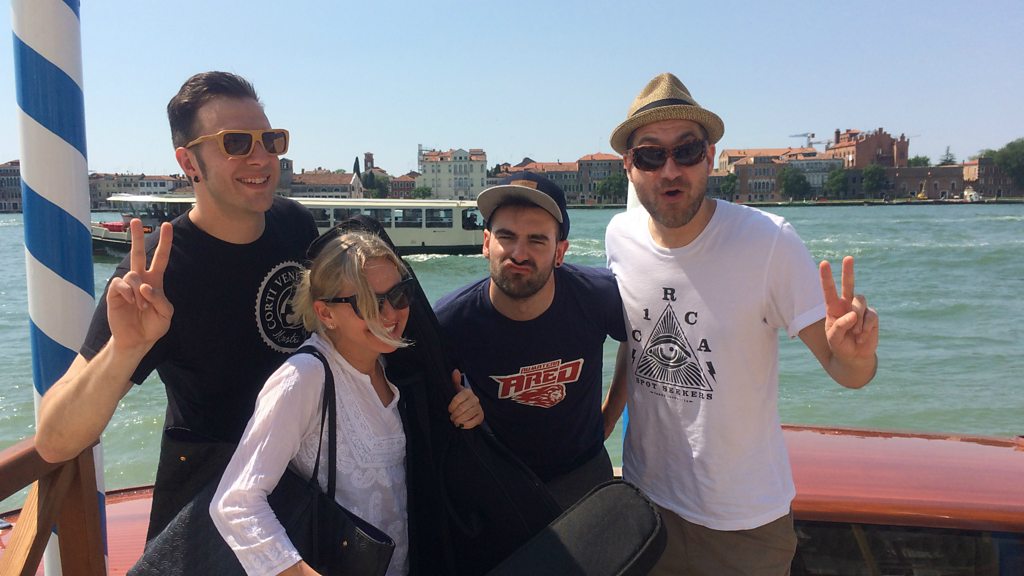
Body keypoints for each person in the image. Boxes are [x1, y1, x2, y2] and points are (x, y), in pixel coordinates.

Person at [603, 73, 879, 575]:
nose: (670, 170)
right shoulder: (619, 236)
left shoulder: (768, 242)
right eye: (650, 155)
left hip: (743, 524)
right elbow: (636, 340)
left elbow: (847, 373)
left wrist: (857, 357)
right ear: (630, 167)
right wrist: (604, 420)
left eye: (686, 151)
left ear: (709, 157)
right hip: (647, 503)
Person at [34, 71, 320, 540]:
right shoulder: (155, 274)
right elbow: (53, 439)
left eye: (271, 140)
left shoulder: (295, 224)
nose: (262, 157)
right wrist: (125, 349)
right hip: (214, 504)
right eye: (235, 143)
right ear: (189, 162)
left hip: (305, 485)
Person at [211, 230, 483, 576]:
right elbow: (235, 502)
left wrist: (467, 412)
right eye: (368, 301)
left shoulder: (395, 366)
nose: (390, 313)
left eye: (399, 294)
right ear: (325, 313)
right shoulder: (305, 378)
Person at [434, 172, 628, 509]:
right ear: (486, 243)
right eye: (506, 236)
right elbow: (428, 402)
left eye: (537, 240)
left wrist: (609, 416)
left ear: (560, 252)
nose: (519, 253)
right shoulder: (450, 321)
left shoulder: (597, 296)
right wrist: (458, 409)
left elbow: (633, 343)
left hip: (584, 473)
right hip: (499, 481)